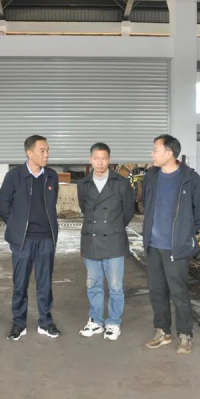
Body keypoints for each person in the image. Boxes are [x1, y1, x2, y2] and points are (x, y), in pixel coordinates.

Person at [142, 134, 200, 355]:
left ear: (169, 153)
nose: (152, 154)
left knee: (179, 292)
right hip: (153, 245)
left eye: (155, 150)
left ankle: (185, 334)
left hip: (176, 247)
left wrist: (184, 234)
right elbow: (146, 204)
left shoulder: (190, 178)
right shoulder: (151, 176)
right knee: (157, 291)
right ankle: (162, 331)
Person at [0, 135, 61, 340]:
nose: (46, 154)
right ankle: (19, 323)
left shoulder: (51, 176)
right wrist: (16, 227)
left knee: (45, 283)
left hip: (46, 239)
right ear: (29, 153)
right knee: (20, 283)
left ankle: (46, 322)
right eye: (42, 151)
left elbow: (51, 204)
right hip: (22, 241)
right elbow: (4, 205)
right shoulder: (14, 176)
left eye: (48, 150)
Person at [77, 143, 134, 341]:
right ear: (90, 159)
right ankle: (95, 320)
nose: (100, 163)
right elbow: (84, 209)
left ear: (109, 160)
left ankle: (113, 322)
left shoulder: (121, 183)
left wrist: (113, 226)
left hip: (114, 240)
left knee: (115, 286)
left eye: (104, 158)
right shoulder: (83, 184)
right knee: (93, 284)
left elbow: (128, 212)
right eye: (96, 158)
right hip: (91, 240)